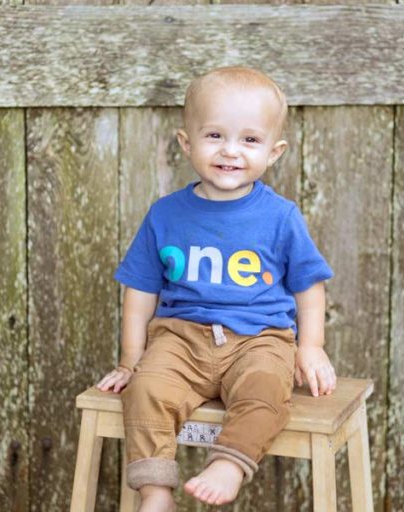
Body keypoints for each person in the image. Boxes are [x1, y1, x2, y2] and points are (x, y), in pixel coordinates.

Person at [96, 65, 336, 511]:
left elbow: (308, 286)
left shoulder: (280, 217)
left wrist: (311, 347)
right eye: (214, 136)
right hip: (180, 338)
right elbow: (140, 293)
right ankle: (156, 490)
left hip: (260, 339)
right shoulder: (165, 215)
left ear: (274, 151)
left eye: (249, 140)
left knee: (266, 391)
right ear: (187, 143)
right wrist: (130, 361)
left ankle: (229, 463)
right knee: (146, 391)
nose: (230, 151)